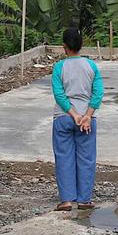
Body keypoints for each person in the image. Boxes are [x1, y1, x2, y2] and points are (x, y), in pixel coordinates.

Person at [51, 27, 103, 211]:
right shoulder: (91, 66)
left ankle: (66, 200)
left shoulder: (59, 67)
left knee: (64, 157)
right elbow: (98, 94)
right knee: (86, 158)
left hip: (63, 118)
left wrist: (73, 114)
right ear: (81, 45)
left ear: (64, 47)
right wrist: (86, 116)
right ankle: (84, 200)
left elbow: (59, 94)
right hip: (87, 121)